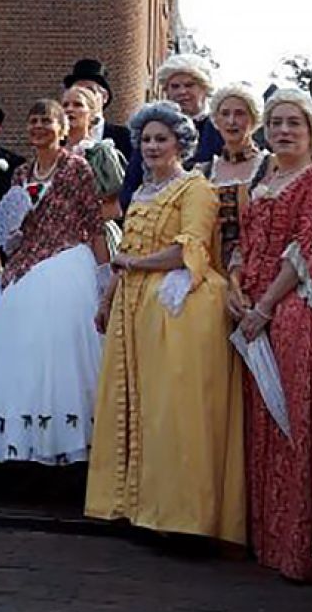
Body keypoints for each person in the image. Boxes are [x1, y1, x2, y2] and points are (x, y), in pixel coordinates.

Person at [86, 102, 244, 547]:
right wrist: (107, 298)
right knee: (133, 403)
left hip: (179, 310)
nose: (153, 147)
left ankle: (180, 518)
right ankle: (135, 506)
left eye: (162, 139)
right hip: (132, 308)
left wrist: (135, 264)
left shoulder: (196, 188)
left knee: (173, 410)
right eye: (147, 140)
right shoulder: (140, 193)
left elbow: (189, 248)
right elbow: (124, 256)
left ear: (181, 144)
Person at [231, 88, 312, 584]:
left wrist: (263, 306)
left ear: (311, 131)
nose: (282, 131)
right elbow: (244, 243)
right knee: (264, 429)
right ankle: (273, 545)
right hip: (255, 311)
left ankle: (307, 554)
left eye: (293, 124)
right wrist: (236, 286)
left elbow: (306, 248)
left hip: (299, 311)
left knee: (297, 425)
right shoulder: (265, 180)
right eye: (276, 123)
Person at [0, 99, 103, 470]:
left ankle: (63, 447)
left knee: (58, 354)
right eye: (33, 121)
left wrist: (105, 275)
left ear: (63, 128)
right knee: (13, 350)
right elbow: (7, 229)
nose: (39, 127)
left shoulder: (77, 169)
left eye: (47, 121)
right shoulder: (21, 173)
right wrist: (11, 240)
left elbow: (94, 223)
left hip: (67, 262)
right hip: (23, 266)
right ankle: (16, 447)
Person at [121, 53, 223, 209]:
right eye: (175, 86)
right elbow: (132, 183)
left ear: (204, 88)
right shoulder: (150, 131)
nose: (182, 92)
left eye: (189, 85)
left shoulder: (218, 130)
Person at [196, 83, 269, 270]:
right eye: (225, 114)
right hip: (210, 271)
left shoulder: (271, 166)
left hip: (256, 268)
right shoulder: (202, 171)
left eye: (240, 114)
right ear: (216, 120)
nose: (231, 121)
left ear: (254, 119)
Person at [62, 84, 127, 253]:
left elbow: (115, 208)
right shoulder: (54, 155)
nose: (70, 110)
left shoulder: (100, 153)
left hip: (93, 240)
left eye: (77, 105)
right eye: (65, 105)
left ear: (91, 115)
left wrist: (74, 223)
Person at [61, 59, 133, 158]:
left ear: (104, 97)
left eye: (89, 90)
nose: (83, 95)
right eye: (77, 90)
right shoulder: (57, 140)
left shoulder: (124, 137)